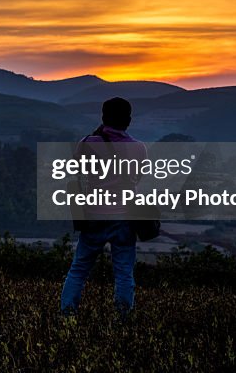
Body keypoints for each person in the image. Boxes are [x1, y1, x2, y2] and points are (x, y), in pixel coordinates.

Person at [60, 97, 147, 322]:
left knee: (79, 269)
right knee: (123, 273)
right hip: (126, 219)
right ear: (128, 120)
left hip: (93, 216)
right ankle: (122, 319)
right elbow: (137, 178)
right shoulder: (139, 148)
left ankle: (68, 316)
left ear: (103, 117)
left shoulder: (87, 142)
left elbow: (77, 169)